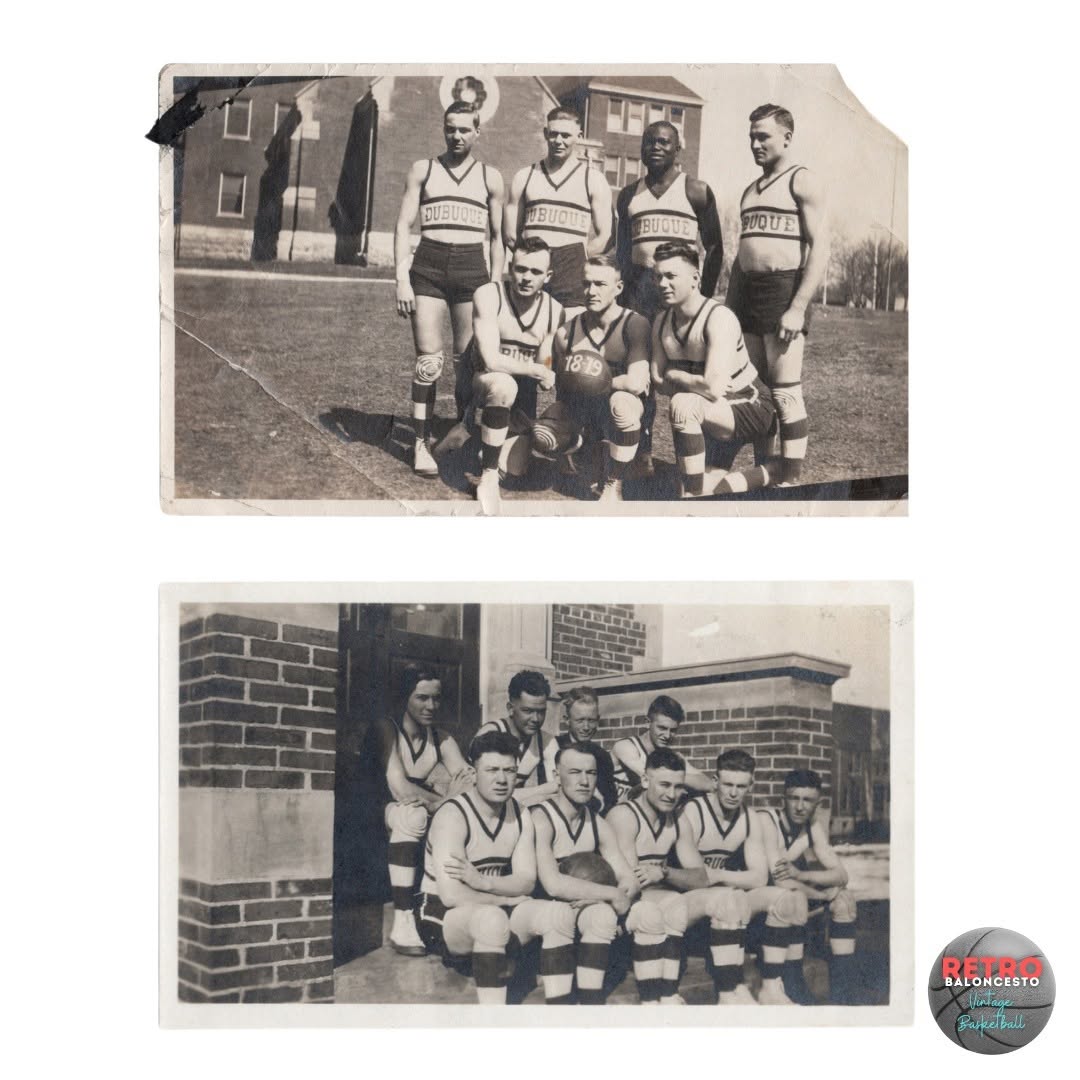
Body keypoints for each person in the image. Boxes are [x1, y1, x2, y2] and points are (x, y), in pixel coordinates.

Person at [394, 101, 505, 479]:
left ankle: (462, 431)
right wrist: (401, 277)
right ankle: (421, 443)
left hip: (472, 270)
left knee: (466, 363)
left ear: (478, 132)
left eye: (464, 129)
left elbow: (497, 239)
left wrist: (496, 285)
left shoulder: (490, 177)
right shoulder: (423, 170)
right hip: (428, 265)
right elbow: (403, 224)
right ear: (443, 129)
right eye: (450, 129)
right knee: (428, 361)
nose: (456, 136)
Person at [726, 103, 829, 486]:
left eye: (763, 136)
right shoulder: (749, 191)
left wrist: (797, 307)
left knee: (785, 391)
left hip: (782, 291)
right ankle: (765, 469)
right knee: (757, 391)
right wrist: (729, 308)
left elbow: (821, 248)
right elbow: (742, 255)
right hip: (747, 295)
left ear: (787, 137)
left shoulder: (801, 181)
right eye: (751, 136)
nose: (755, 143)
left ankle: (791, 480)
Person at [615, 120, 723, 475]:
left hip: (682, 295)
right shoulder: (629, 195)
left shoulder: (696, 191)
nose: (656, 147)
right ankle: (640, 452)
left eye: (664, 142)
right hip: (642, 291)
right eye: (649, 142)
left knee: (689, 374)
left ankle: (698, 459)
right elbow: (622, 253)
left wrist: (702, 295)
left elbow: (716, 247)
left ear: (679, 149)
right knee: (642, 373)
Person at [435, 237, 562, 512]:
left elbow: (544, 370)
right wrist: (536, 369)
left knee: (516, 470)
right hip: (481, 384)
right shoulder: (489, 295)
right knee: (503, 385)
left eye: (536, 272)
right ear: (510, 267)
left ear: (548, 276)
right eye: (520, 269)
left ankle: (468, 433)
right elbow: (491, 360)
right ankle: (488, 475)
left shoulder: (554, 310)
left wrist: (548, 372)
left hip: (521, 396)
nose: (527, 278)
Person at [515, 257, 650, 503]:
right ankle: (578, 447)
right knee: (544, 433)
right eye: (586, 284)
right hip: (583, 410)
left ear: (618, 288)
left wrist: (592, 379)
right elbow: (553, 379)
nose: (591, 292)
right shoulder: (568, 330)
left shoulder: (634, 324)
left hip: (618, 411)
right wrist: (547, 369)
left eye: (600, 284)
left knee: (621, 404)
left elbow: (636, 383)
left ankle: (613, 483)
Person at [510, 741, 637, 1003]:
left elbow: (629, 878)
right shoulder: (540, 818)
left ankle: (591, 1006)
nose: (584, 781)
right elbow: (553, 884)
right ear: (557, 776)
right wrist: (610, 893)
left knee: (602, 915)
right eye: (574, 772)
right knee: (564, 914)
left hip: (576, 912)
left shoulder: (597, 823)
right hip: (534, 915)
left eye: (590, 773)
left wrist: (604, 897)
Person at [416, 730, 536, 1004]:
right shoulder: (452, 815)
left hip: (489, 900)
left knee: (556, 915)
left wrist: (486, 883)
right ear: (474, 771)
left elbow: (527, 880)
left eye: (510, 770)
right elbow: (452, 895)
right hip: (437, 912)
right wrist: (504, 897)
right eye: (492, 769)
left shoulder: (520, 812)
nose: (502, 779)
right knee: (493, 919)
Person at [606, 748, 733, 1004]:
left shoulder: (677, 818)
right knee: (667, 906)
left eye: (678, 786)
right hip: (621, 911)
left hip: (659, 904)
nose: (671, 794)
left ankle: (724, 991)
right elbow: (630, 886)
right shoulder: (624, 816)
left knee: (727, 898)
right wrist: (670, 880)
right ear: (644, 780)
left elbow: (700, 877)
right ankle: (654, 997)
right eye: (664, 784)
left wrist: (663, 872)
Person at [651, 241, 777, 497]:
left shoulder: (718, 317)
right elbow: (656, 380)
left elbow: (713, 387)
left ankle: (695, 501)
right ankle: (770, 472)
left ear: (695, 278)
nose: (662, 284)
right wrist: (687, 383)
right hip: (709, 412)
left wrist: (676, 375)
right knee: (699, 488)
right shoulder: (661, 320)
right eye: (658, 277)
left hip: (750, 404)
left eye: (671, 276)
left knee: (683, 404)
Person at [367, 666, 475, 955]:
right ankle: (402, 922)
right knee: (413, 814)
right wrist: (443, 800)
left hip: (418, 809)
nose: (430, 706)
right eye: (421, 698)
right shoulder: (386, 728)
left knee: (452, 815)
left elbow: (470, 783)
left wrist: (446, 801)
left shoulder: (441, 738)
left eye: (436, 699)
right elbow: (399, 789)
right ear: (405, 698)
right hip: (371, 810)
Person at [758, 769, 857, 1004]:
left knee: (844, 900)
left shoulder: (811, 827)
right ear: (784, 798)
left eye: (807, 800)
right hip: (757, 902)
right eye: (794, 798)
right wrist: (822, 895)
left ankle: (842, 993)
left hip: (786, 898)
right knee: (798, 899)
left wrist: (802, 874)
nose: (800, 807)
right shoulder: (767, 821)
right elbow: (779, 880)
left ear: (817, 803)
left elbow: (841, 875)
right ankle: (793, 982)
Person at [505, 108, 612, 309]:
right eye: (553, 134)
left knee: (569, 333)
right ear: (546, 133)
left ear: (579, 137)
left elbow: (605, 235)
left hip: (572, 267)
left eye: (566, 135)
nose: (558, 141)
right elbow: (511, 234)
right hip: (533, 266)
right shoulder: (525, 176)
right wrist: (532, 257)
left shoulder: (593, 179)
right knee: (526, 330)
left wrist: (580, 257)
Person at [472, 670, 561, 807]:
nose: (535, 719)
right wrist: (543, 791)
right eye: (527, 711)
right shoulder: (491, 733)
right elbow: (480, 793)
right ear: (510, 708)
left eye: (541, 712)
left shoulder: (546, 740)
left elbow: (559, 789)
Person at [610, 694, 715, 801]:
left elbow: (708, 784)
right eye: (662, 728)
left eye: (673, 730)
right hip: (614, 812)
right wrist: (679, 778)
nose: (667, 735)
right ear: (647, 723)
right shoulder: (626, 746)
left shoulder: (671, 757)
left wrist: (675, 778)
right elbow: (652, 777)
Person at [541, 686, 619, 812]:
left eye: (591, 720)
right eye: (580, 720)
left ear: (598, 720)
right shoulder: (552, 748)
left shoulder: (603, 756)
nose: (586, 727)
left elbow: (610, 801)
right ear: (567, 720)